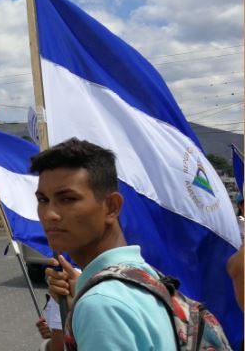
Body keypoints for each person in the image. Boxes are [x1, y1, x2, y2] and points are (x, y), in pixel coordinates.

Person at [33, 138, 177, 350]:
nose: (50, 214)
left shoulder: (101, 304)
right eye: (43, 200)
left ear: (111, 207)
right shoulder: (143, 276)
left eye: (68, 199)